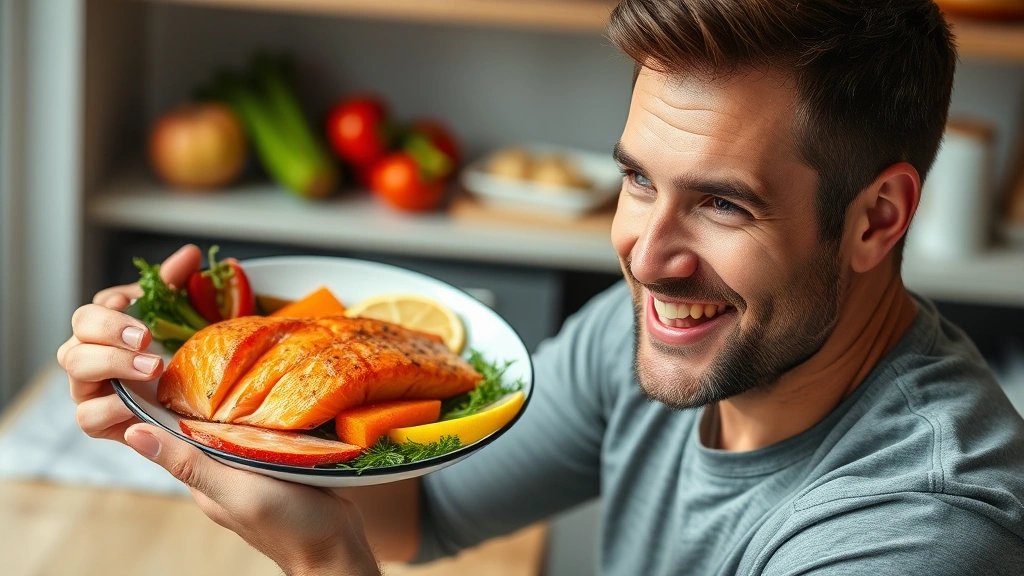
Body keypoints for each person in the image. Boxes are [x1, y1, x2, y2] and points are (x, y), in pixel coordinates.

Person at [57, 1, 1024, 574]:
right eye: (639, 179)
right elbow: (417, 512)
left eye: (723, 205)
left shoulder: (917, 534)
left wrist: (323, 561)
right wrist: (186, 416)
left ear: (877, 219)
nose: (647, 255)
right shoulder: (653, 335)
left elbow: (353, 545)